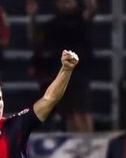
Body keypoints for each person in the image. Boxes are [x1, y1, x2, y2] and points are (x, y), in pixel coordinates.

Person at [27, 0, 97, 133]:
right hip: (61, 72)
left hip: (80, 71)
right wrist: (32, 16)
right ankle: (75, 145)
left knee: (83, 112)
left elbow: (91, 10)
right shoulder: (54, 24)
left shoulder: (81, 20)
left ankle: (88, 144)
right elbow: (34, 38)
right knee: (70, 114)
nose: (65, 4)